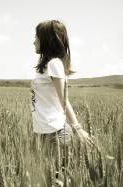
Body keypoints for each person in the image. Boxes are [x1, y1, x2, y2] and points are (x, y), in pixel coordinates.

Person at [30, 20, 94, 152]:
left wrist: (77, 128)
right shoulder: (49, 65)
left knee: (55, 173)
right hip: (43, 132)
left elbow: (63, 98)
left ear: (46, 39)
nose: (34, 41)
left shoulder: (54, 64)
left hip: (55, 134)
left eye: (36, 36)